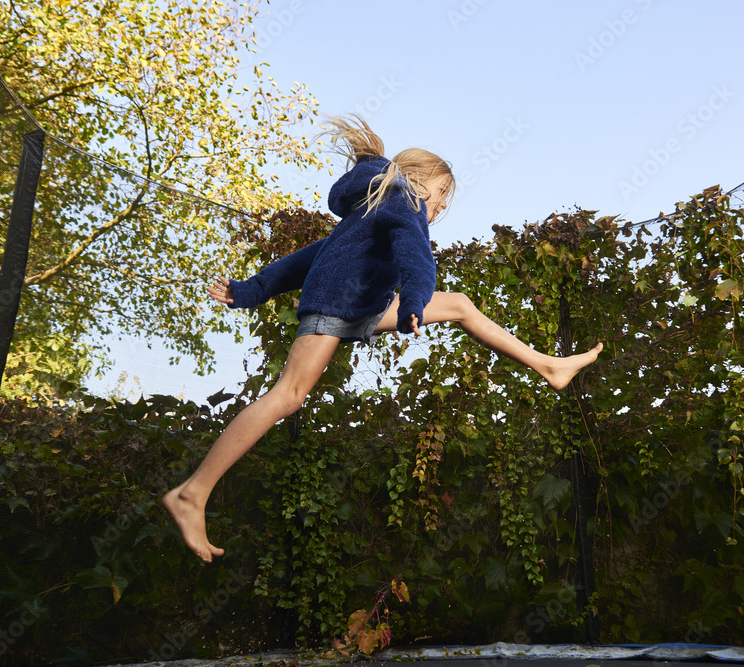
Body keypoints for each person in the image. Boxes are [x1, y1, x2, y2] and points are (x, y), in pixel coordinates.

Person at [164, 116, 603, 563]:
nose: (440, 207)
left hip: (361, 304)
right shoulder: (404, 199)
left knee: (461, 305)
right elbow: (417, 257)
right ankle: (192, 493)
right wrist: (413, 302)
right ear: (420, 181)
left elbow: (309, 257)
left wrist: (251, 290)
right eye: (441, 195)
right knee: (288, 395)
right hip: (338, 304)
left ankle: (549, 365)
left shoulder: (371, 208)